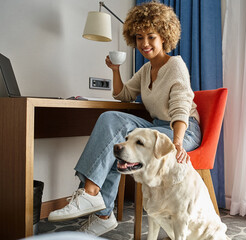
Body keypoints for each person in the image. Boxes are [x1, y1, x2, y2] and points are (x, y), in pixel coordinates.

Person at [48, 2, 201, 236]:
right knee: (112, 122)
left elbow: (181, 107)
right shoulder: (146, 70)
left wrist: (178, 141)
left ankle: (93, 199)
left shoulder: (175, 66)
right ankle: (101, 210)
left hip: (184, 129)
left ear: (164, 36)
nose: (145, 43)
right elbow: (123, 94)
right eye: (139, 38)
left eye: (151, 36)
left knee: (120, 136)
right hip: (156, 127)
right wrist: (115, 70)